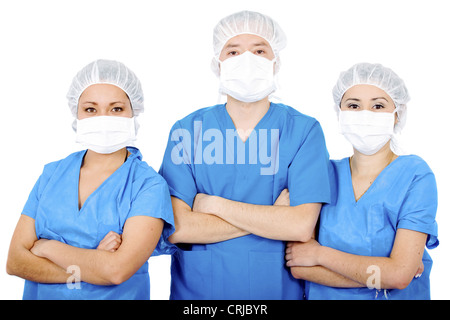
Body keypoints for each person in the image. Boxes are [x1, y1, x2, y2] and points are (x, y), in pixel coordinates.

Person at [159, 11, 331, 300]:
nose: (247, 60)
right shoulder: (187, 132)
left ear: (275, 62)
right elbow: (179, 228)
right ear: (218, 62)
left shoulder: (303, 131)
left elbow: (300, 226)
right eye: (234, 51)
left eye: (260, 50)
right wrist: (273, 217)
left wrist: (212, 204)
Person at [6, 59, 175, 300]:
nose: (103, 118)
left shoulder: (148, 185)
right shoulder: (52, 174)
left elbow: (115, 271)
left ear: (133, 112)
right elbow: (15, 262)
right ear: (77, 114)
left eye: (116, 109)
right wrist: (92, 263)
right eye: (90, 109)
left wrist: (48, 248)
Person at [285, 62, 439, 300]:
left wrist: (319, 256)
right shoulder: (323, 173)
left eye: (378, 105)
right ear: (340, 112)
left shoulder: (415, 175)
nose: (365, 114)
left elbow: (398, 276)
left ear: (397, 114)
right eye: (353, 105)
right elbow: (298, 266)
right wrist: (386, 272)